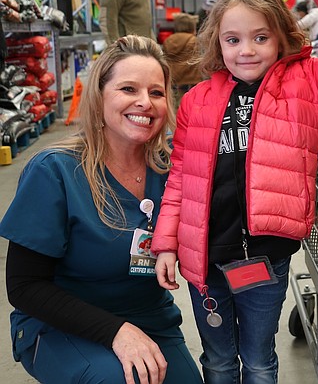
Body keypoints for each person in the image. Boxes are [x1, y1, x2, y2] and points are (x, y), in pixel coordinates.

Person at [151, 0, 318, 384]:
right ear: (218, 42)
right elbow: (181, 177)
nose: (246, 50)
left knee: (258, 361)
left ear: (280, 38)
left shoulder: (308, 82)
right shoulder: (198, 100)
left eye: (260, 37)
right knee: (217, 362)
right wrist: (166, 244)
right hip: (205, 258)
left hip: (266, 259)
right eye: (233, 40)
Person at [0, 35, 203, 384]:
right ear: (99, 97)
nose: (145, 103)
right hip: (61, 323)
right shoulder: (55, 171)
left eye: (156, 93)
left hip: (149, 317)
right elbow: (25, 286)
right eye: (128, 89)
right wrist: (116, 332)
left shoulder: (174, 168)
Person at [163, 13, 201, 107]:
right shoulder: (194, 41)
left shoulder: (168, 40)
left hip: (175, 79)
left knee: (175, 103)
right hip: (191, 80)